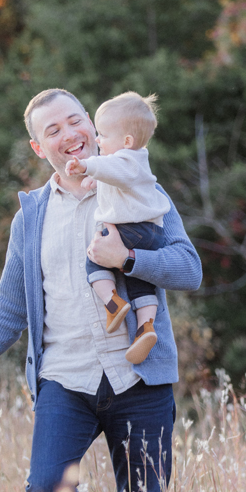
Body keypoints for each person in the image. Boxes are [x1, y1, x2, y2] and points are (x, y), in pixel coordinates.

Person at [0, 89, 201, 492]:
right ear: (38, 146)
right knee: (46, 491)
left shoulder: (136, 188)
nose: (69, 134)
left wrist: (129, 258)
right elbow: (9, 306)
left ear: (93, 128)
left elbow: (189, 268)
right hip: (64, 381)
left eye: (76, 121)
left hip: (138, 379)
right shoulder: (32, 216)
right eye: (54, 130)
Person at [64, 91, 171, 365]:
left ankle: (113, 303)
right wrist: (95, 181)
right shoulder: (134, 166)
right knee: (140, 283)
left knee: (95, 258)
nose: (98, 140)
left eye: (103, 135)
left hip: (131, 230)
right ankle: (145, 328)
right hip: (151, 234)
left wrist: (85, 167)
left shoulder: (126, 159)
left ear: (126, 141)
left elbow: (111, 169)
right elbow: (117, 181)